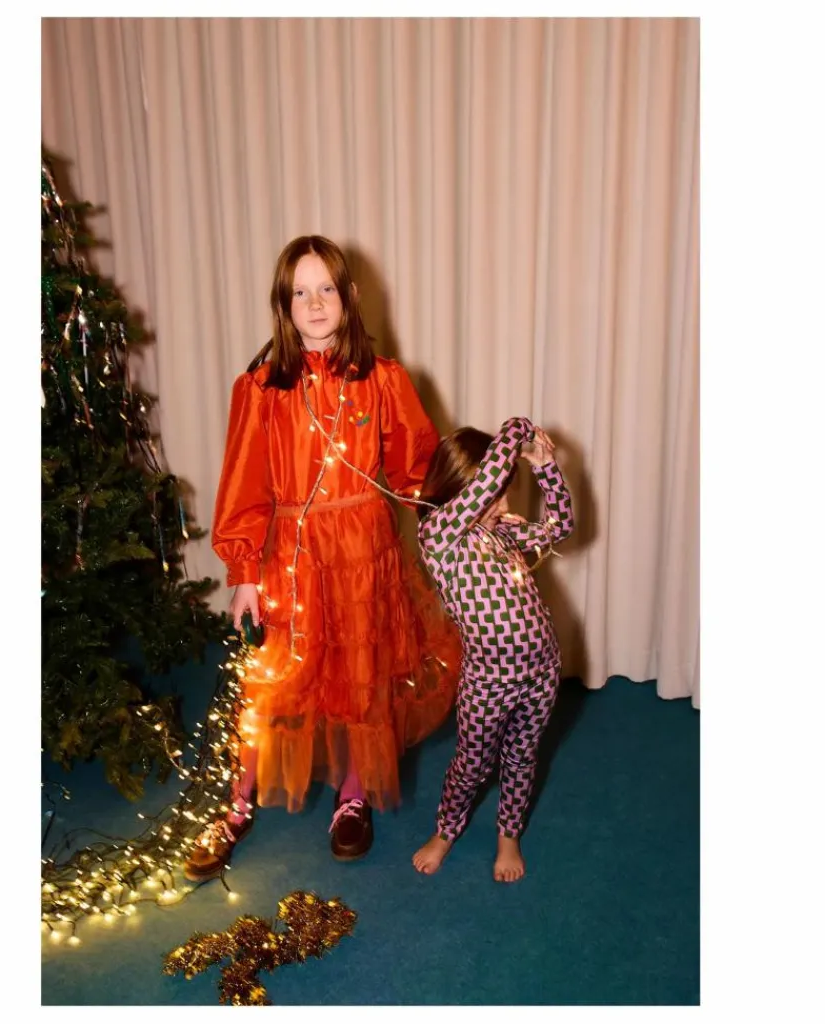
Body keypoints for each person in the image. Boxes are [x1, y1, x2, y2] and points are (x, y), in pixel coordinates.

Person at [183, 235, 460, 881]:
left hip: (365, 555)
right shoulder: (261, 389)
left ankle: (352, 797)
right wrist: (244, 572)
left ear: (350, 296)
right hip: (293, 562)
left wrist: (473, 493)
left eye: (326, 289)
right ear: (283, 305)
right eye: (300, 292)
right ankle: (236, 804)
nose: (314, 303)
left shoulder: (383, 380)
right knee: (272, 686)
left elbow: (417, 470)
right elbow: (244, 484)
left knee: (361, 679)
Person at [410, 417, 575, 882]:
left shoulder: (500, 534)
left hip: (542, 671)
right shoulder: (440, 537)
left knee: (523, 756)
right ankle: (445, 831)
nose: (503, 503)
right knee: (472, 764)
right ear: (463, 487)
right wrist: (519, 429)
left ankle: (509, 836)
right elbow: (486, 483)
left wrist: (545, 465)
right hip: (488, 682)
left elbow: (561, 526)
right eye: (496, 493)